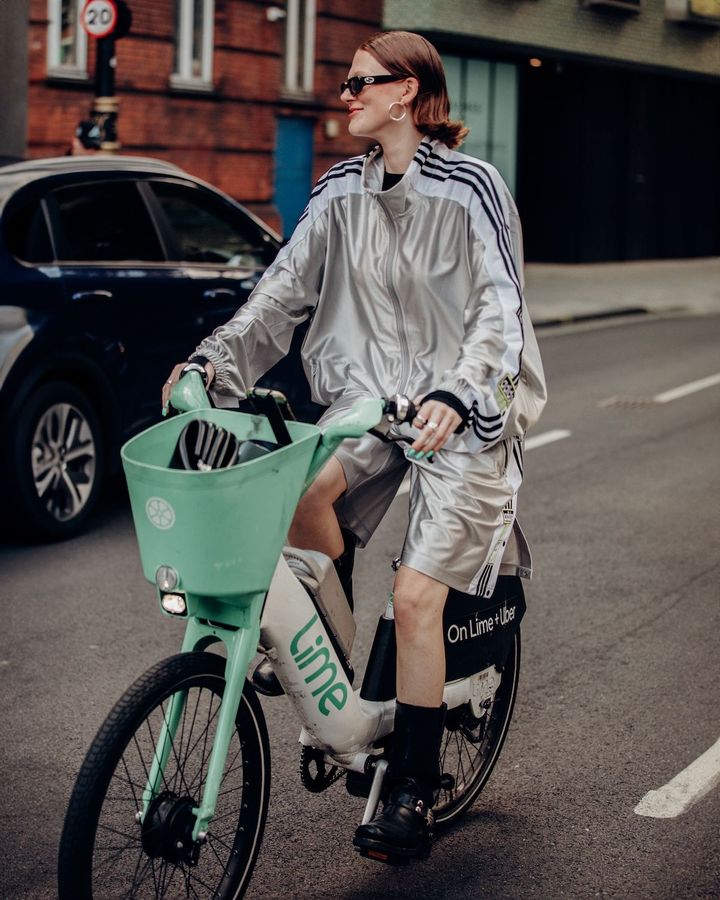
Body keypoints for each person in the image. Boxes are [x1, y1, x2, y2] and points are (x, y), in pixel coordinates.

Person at [163, 30, 546, 862]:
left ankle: (411, 786)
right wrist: (211, 363)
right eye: (346, 83)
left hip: (465, 412)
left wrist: (459, 390)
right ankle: (333, 678)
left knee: (415, 599)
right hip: (373, 406)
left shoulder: (472, 188)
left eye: (360, 82)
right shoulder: (340, 190)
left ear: (407, 92)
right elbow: (278, 295)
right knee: (301, 499)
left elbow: (500, 308)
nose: (345, 95)